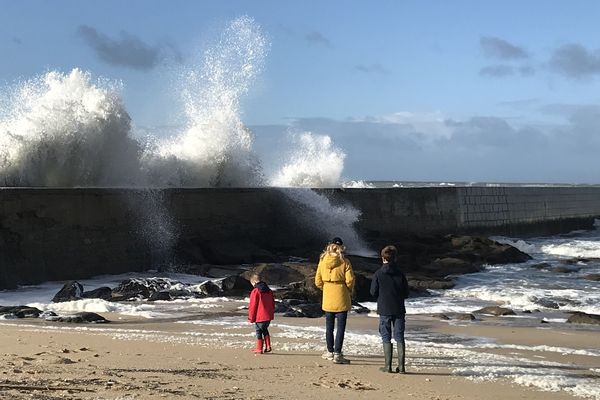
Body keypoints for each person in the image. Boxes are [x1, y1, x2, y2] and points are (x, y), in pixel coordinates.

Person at [315, 237, 355, 364]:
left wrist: (326, 288)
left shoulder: (322, 260)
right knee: (341, 328)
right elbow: (350, 280)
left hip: (328, 295)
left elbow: (317, 281)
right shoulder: (345, 261)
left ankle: (329, 351)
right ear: (341, 247)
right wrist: (348, 290)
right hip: (341, 295)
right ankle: (338, 353)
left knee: (329, 327)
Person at [370, 245, 410, 373]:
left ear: (382, 258)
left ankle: (388, 366)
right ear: (395, 258)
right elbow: (406, 293)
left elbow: (373, 292)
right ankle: (402, 366)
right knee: (399, 336)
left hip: (384, 308)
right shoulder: (400, 273)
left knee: (386, 336)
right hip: (398, 308)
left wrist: (380, 297)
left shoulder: (378, 273)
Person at [248, 272, 275, 354]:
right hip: (268, 315)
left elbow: (253, 305)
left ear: (255, 282)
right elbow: (273, 303)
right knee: (265, 329)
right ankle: (268, 346)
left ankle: (259, 348)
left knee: (258, 331)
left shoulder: (255, 291)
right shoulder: (269, 290)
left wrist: (251, 317)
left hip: (260, 316)